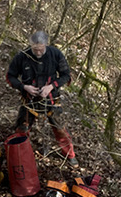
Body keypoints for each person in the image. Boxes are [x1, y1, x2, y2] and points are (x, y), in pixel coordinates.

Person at [6, 30, 79, 168]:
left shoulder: (55, 54)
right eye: (35, 49)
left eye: (41, 49)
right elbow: (10, 76)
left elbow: (66, 75)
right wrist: (24, 87)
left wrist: (52, 86)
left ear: (46, 45)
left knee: (60, 128)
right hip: (29, 100)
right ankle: (20, 154)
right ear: (31, 46)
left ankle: (70, 155)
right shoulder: (23, 56)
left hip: (52, 99)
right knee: (22, 128)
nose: (38, 53)